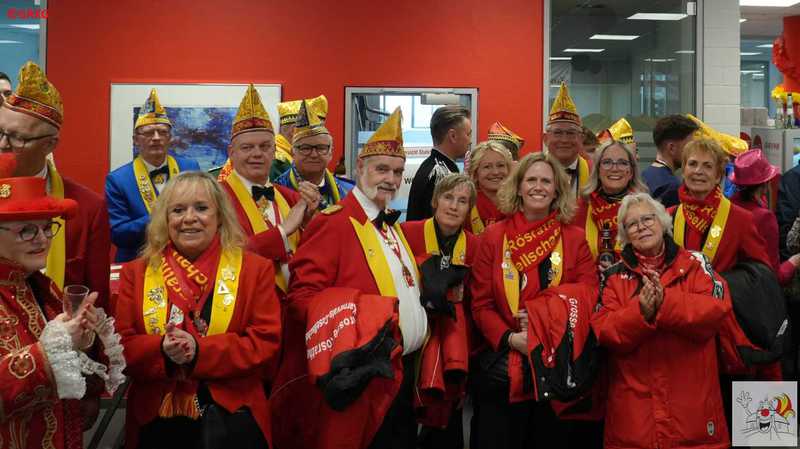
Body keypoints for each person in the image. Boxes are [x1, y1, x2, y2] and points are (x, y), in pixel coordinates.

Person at [272, 108, 428, 449]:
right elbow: (301, 300)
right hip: (363, 381)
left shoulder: (392, 224)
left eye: (397, 171)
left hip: (401, 375)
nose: (390, 179)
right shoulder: (333, 223)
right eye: (382, 169)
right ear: (360, 168)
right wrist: (355, 327)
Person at [115, 171, 282, 449]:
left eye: (201, 208)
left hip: (233, 416)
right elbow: (121, 346)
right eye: (178, 210)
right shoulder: (137, 273)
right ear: (165, 219)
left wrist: (200, 351)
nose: (189, 218)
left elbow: (264, 343)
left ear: (220, 216)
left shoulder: (255, 270)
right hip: (156, 418)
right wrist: (161, 349)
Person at [469, 152, 597, 449]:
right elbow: (481, 304)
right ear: (518, 187)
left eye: (546, 181)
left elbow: (588, 296)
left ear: (557, 190)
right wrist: (512, 339)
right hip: (504, 368)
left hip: (556, 367)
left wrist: (543, 319)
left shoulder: (575, 238)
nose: (538, 187)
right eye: (531, 180)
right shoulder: (493, 237)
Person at [592, 192, 732, 449]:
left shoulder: (697, 263)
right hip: (634, 424)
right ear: (625, 234)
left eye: (648, 219)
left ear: (662, 222)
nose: (641, 227)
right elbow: (604, 331)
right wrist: (641, 312)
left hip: (694, 415)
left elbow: (717, 308)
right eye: (632, 224)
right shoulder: (612, 276)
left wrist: (665, 303)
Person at [0, 152, 119, 449]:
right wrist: (50, 352)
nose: (42, 239)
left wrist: (82, 339)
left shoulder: (41, 285)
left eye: (47, 227)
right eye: (26, 230)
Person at [220, 84, 319, 299]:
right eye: (247, 147)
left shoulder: (291, 196)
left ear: (275, 151)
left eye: (265, 146)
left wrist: (309, 222)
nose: (257, 154)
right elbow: (223, 257)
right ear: (231, 153)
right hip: (243, 304)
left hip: (294, 305)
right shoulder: (214, 198)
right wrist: (283, 231)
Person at [401, 173, 477, 449]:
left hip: (453, 342)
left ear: (469, 209)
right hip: (413, 340)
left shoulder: (475, 246)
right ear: (434, 201)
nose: (454, 206)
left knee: (447, 423)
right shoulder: (406, 233)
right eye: (448, 198)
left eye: (462, 201)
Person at [106, 88, 201, 262]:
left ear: (170, 138)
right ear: (136, 140)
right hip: (139, 262)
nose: (156, 138)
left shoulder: (190, 168)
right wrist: (162, 215)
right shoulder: (118, 180)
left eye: (162, 132)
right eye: (149, 132)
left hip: (188, 260)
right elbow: (118, 234)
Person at [670, 138, 769, 273]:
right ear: (683, 171)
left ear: (718, 176)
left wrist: (724, 281)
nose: (698, 171)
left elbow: (762, 271)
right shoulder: (669, 217)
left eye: (707, 166)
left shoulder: (741, 220)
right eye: (692, 164)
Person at [573, 140, 648, 268]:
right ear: (598, 170)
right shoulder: (580, 208)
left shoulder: (646, 208)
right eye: (607, 162)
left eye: (622, 163)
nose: (615, 169)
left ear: (631, 172)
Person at [730, 149, 800, 284]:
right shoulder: (764, 218)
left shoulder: (729, 206)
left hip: (735, 285)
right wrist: (794, 262)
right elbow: (775, 276)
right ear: (765, 183)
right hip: (756, 288)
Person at [275, 99, 354, 210]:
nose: (314, 154)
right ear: (293, 152)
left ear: (331, 153)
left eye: (321, 148)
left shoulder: (350, 191)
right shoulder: (276, 192)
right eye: (305, 148)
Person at [406, 105, 471, 220]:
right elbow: (440, 226)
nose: (470, 141)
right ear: (453, 136)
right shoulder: (439, 173)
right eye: (468, 134)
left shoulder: (432, 166)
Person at [543, 82, 590, 195]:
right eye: (558, 133)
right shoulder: (530, 172)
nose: (564, 140)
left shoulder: (595, 172)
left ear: (581, 139)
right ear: (545, 138)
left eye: (570, 133)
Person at [642, 115, 698, 208]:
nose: (693, 152)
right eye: (689, 147)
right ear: (671, 148)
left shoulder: (646, 174)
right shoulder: (671, 188)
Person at [465, 141, 512, 235]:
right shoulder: (466, 204)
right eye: (487, 167)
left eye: (501, 165)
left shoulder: (520, 202)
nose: (495, 172)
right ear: (475, 173)